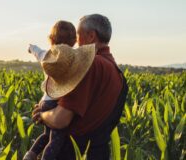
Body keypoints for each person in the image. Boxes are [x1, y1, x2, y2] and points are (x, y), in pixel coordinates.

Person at [32, 14, 128, 160]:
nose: (76, 42)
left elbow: (60, 119)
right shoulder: (117, 73)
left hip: (74, 152)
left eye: (78, 35)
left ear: (90, 36)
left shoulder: (89, 66)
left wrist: (42, 115)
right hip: (99, 152)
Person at [23, 20, 96, 160]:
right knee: (56, 140)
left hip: (44, 102)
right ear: (74, 41)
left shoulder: (46, 56)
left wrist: (31, 48)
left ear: (51, 39)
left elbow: (35, 49)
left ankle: (30, 155)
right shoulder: (73, 59)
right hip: (56, 104)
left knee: (46, 135)